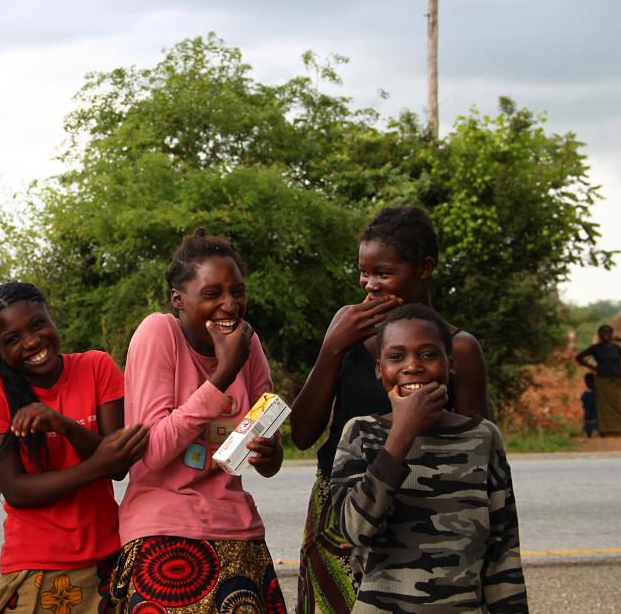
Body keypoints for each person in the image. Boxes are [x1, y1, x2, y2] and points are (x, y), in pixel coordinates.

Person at [290, 206, 489, 613]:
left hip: (424, 512)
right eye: (364, 273)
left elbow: (476, 456)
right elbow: (303, 434)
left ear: (425, 268)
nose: (370, 285)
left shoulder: (459, 349)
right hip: (341, 509)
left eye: (383, 273)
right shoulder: (348, 327)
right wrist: (332, 348)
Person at [112, 229, 287, 613]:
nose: (230, 304)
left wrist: (269, 453)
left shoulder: (248, 342)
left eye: (237, 292)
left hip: (238, 528)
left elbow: (265, 450)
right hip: (163, 530)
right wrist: (223, 374)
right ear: (179, 298)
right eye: (212, 294)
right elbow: (153, 452)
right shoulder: (159, 333)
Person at [0, 281, 149, 613]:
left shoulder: (96, 366)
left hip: (108, 559)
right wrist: (97, 465)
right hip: (36, 567)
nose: (32, 341)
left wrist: (66, 426)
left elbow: (119, 466)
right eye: (12, 339)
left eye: (37, 325)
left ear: (51, 318)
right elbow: (17, 490)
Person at [329, 304, 527, 612]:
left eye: (428, 354)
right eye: (396, 357)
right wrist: (402, 434)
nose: (412, 366)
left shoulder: (483, 437)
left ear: (451, 365)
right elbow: (354, 530)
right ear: (379, 369)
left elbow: (503, 554)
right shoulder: (360, 433)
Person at [576, 325, 621, 435]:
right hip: (602, 380)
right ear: (599, 334)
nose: (605, 335)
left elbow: (619, 364)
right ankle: (606, 430)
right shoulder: (596, 348)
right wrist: (591, 367)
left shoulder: (617, 348)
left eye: (608, 332)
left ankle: (620, 428)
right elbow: (579, 357)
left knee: (619, 404)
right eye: (603, 332)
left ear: (612, 334)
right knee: (604, 407)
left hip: (616, 379)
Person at [581, 373, 600, 438]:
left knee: (589, 426)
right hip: (594, 414)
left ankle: (589, 436)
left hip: (590, 414)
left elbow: (584, 404)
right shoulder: (597, 394)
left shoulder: (586, 394)